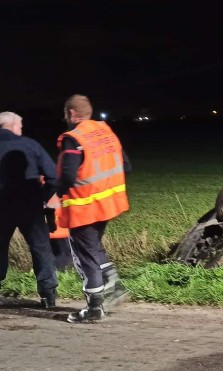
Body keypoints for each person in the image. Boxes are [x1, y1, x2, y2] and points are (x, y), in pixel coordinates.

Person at [55, 94, 131, 323]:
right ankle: (114, 286)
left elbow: (68, 175)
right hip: (107, 203)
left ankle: (95, 308)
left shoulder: (73, 138)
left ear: (71, 113)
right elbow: (126, 165)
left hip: (84, 207)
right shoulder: (104, 131)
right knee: (93, 247)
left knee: (85, 256)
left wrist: (54, 194)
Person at [0, 111, 59, 308]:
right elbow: (53, 177)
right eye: (20, 126)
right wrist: (42, 198)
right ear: (14, 126)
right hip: (30, 204)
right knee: (40, 247)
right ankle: (48, 294)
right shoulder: (31, 145)